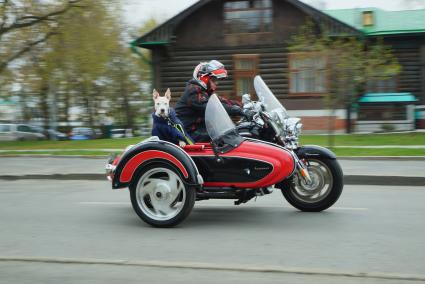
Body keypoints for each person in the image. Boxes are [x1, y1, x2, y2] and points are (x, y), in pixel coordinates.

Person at [175, 60, 244, 142]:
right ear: (204, 78)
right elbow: (212, 107)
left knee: (229, 133)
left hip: (198, 129)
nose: (216, 84)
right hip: (187, 134)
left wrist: (242, 106)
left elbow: (223, 101)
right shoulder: (193, 91)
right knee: (222, 137)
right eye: (214, 81)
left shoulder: (205, 92)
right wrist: (234, 109)